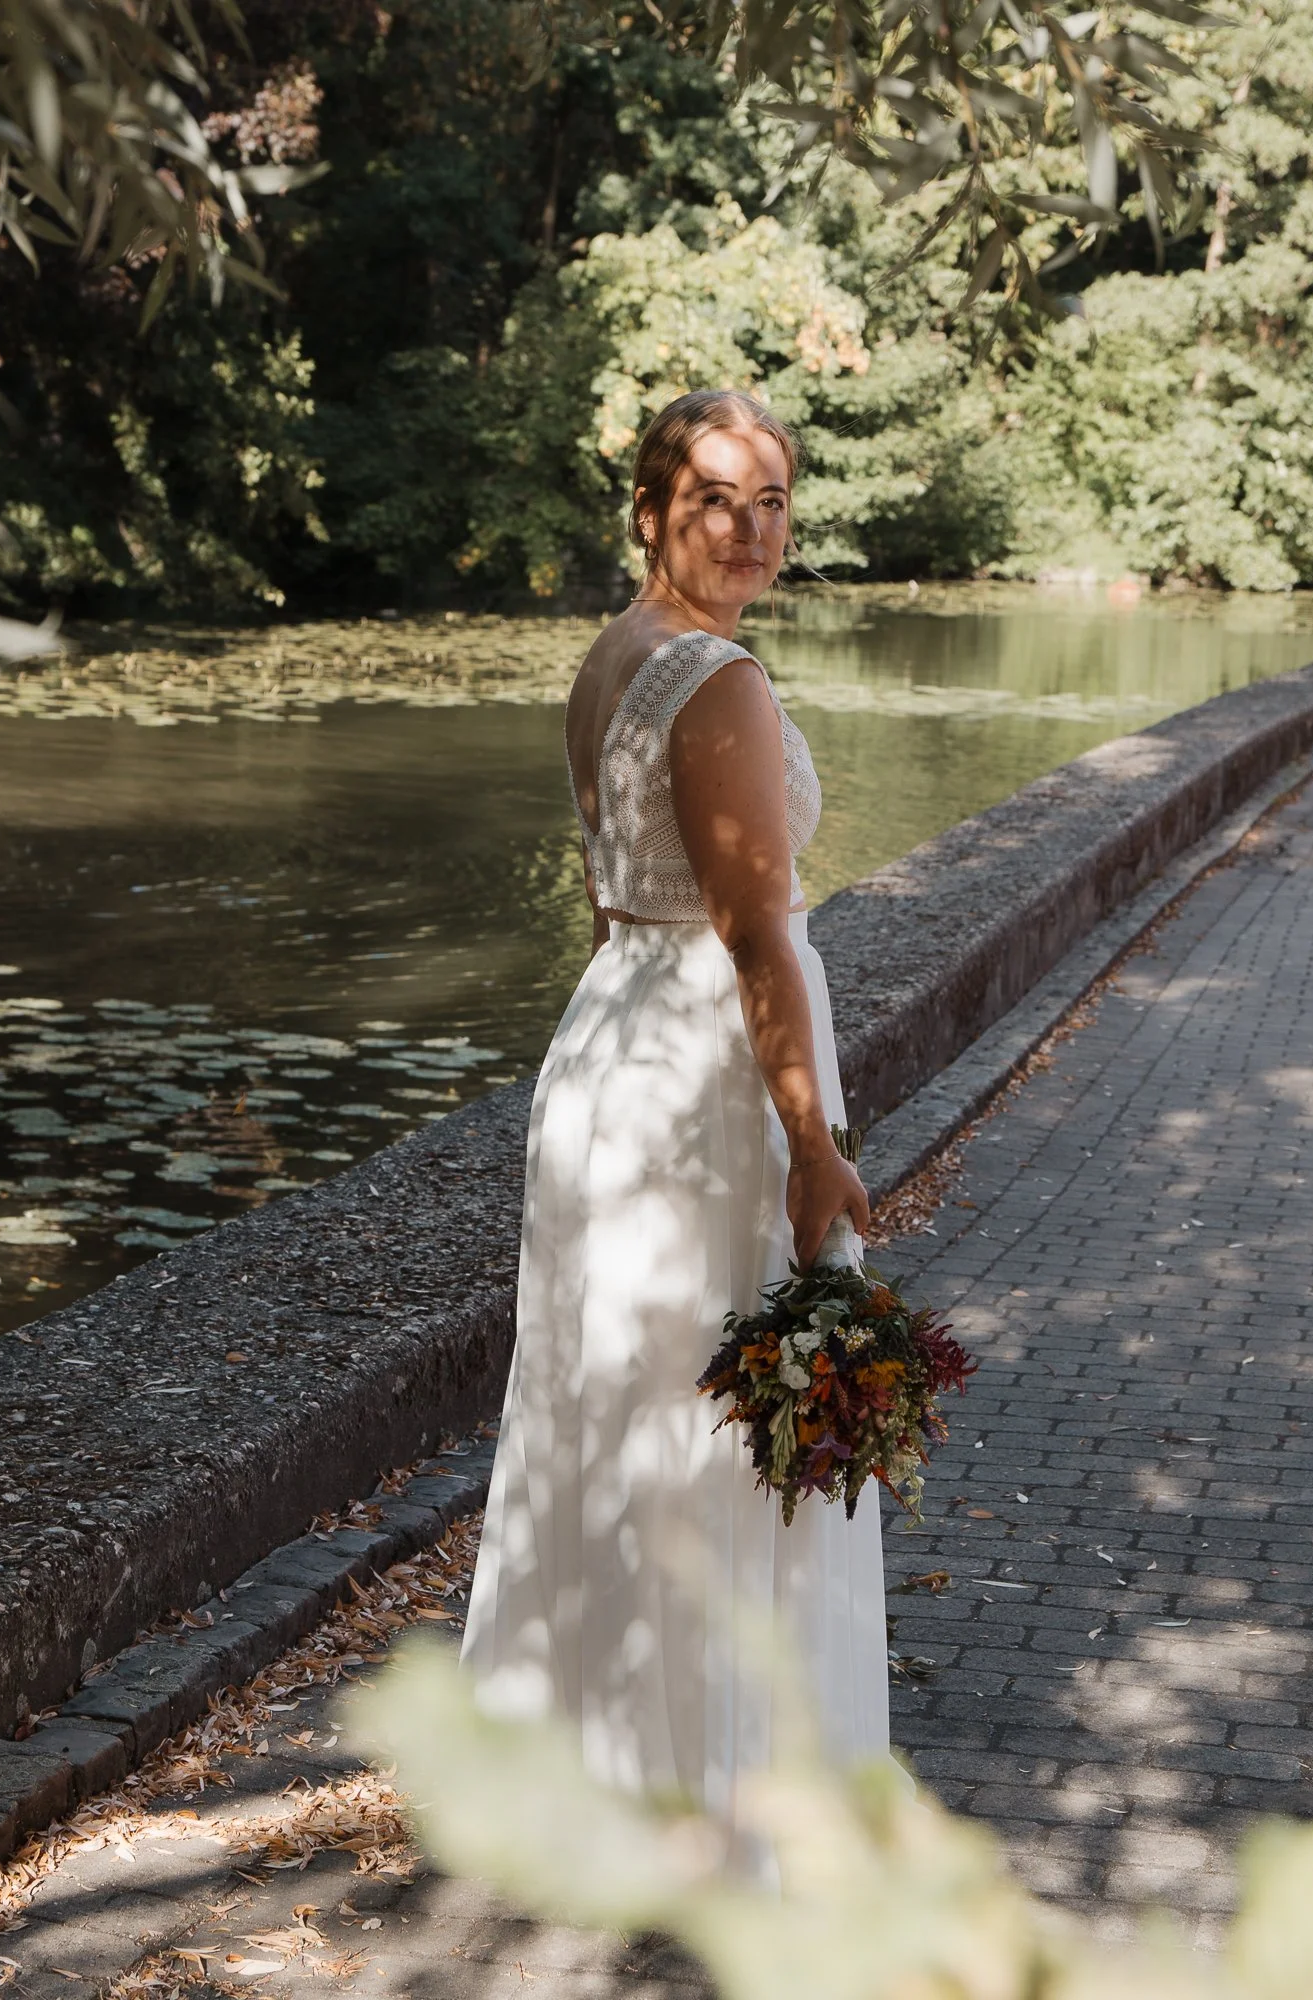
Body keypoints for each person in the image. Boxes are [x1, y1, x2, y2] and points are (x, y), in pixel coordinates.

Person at [461, 389, 890, 1821]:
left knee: (623, 1411)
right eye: (718, 497)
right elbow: (759, 932)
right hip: (702, 1072)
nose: (752, 528)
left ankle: (614, 1767)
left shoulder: (612, 657)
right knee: (723, 1421)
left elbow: (608, 907)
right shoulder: (716, 679)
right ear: (649, 510)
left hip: (614, 1046)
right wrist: (813, 1143)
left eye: (774, 501)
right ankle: (729, 1786)